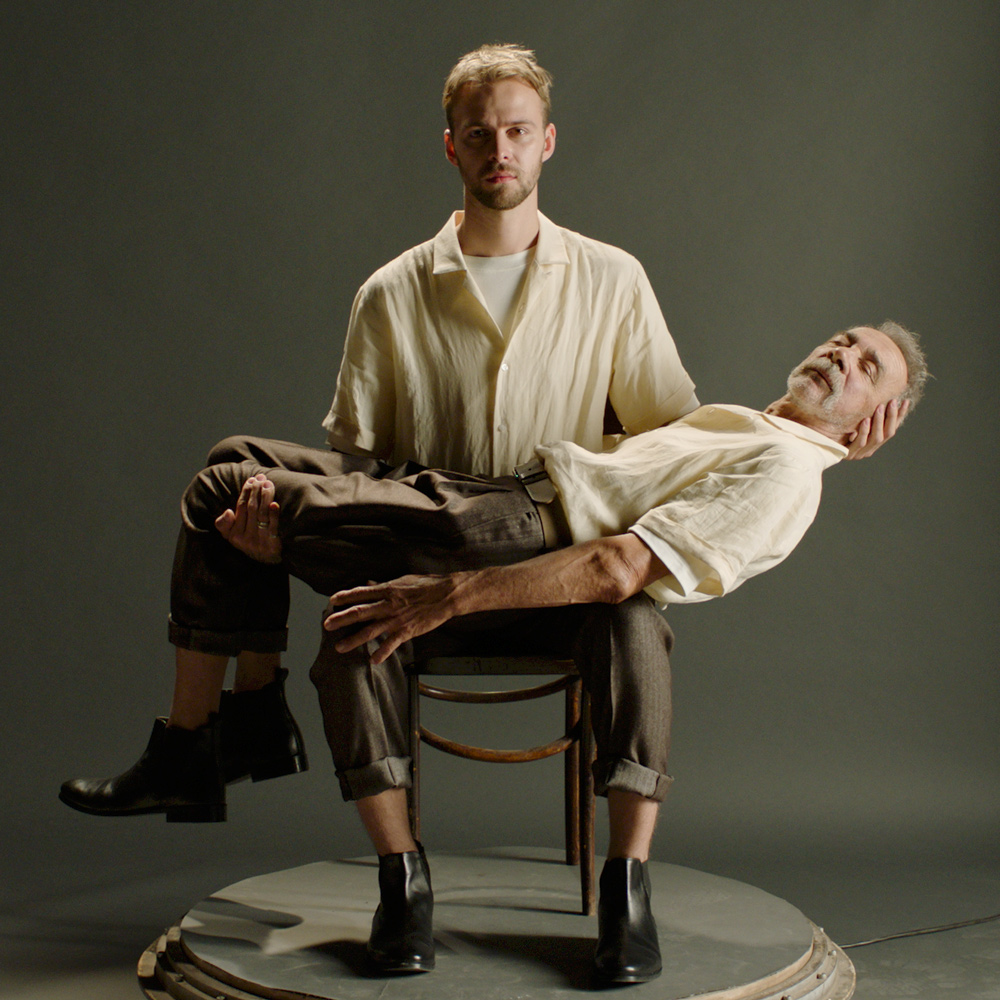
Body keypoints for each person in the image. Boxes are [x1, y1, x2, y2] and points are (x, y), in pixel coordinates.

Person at [61, 322, 928, 983]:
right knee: (236, 460)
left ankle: (200, 745)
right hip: (503, 494)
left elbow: (620, 567)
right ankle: (254, 727)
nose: (842, 356)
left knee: (219, 491)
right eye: (842, 341)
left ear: (876, 418)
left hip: (516, 529)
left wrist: (449, 593)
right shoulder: (752, 426)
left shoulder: (787, 470)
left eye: (867, 368)